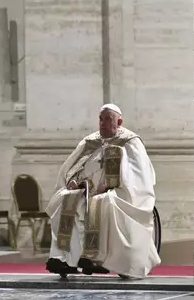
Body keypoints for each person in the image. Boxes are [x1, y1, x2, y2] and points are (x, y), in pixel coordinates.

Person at [45, 104, 160, 278]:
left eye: (108, 119)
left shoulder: (130, 141)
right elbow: (74, 168)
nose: (103, 123)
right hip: (87, 191)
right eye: (101, 119)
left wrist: (108, 186)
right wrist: (76, 182)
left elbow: (138, 177)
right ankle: (65, 259)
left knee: (102, 202)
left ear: (119, 121)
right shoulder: (91, 141)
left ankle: (95, 258)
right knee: (66, 199)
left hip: (119, 192)